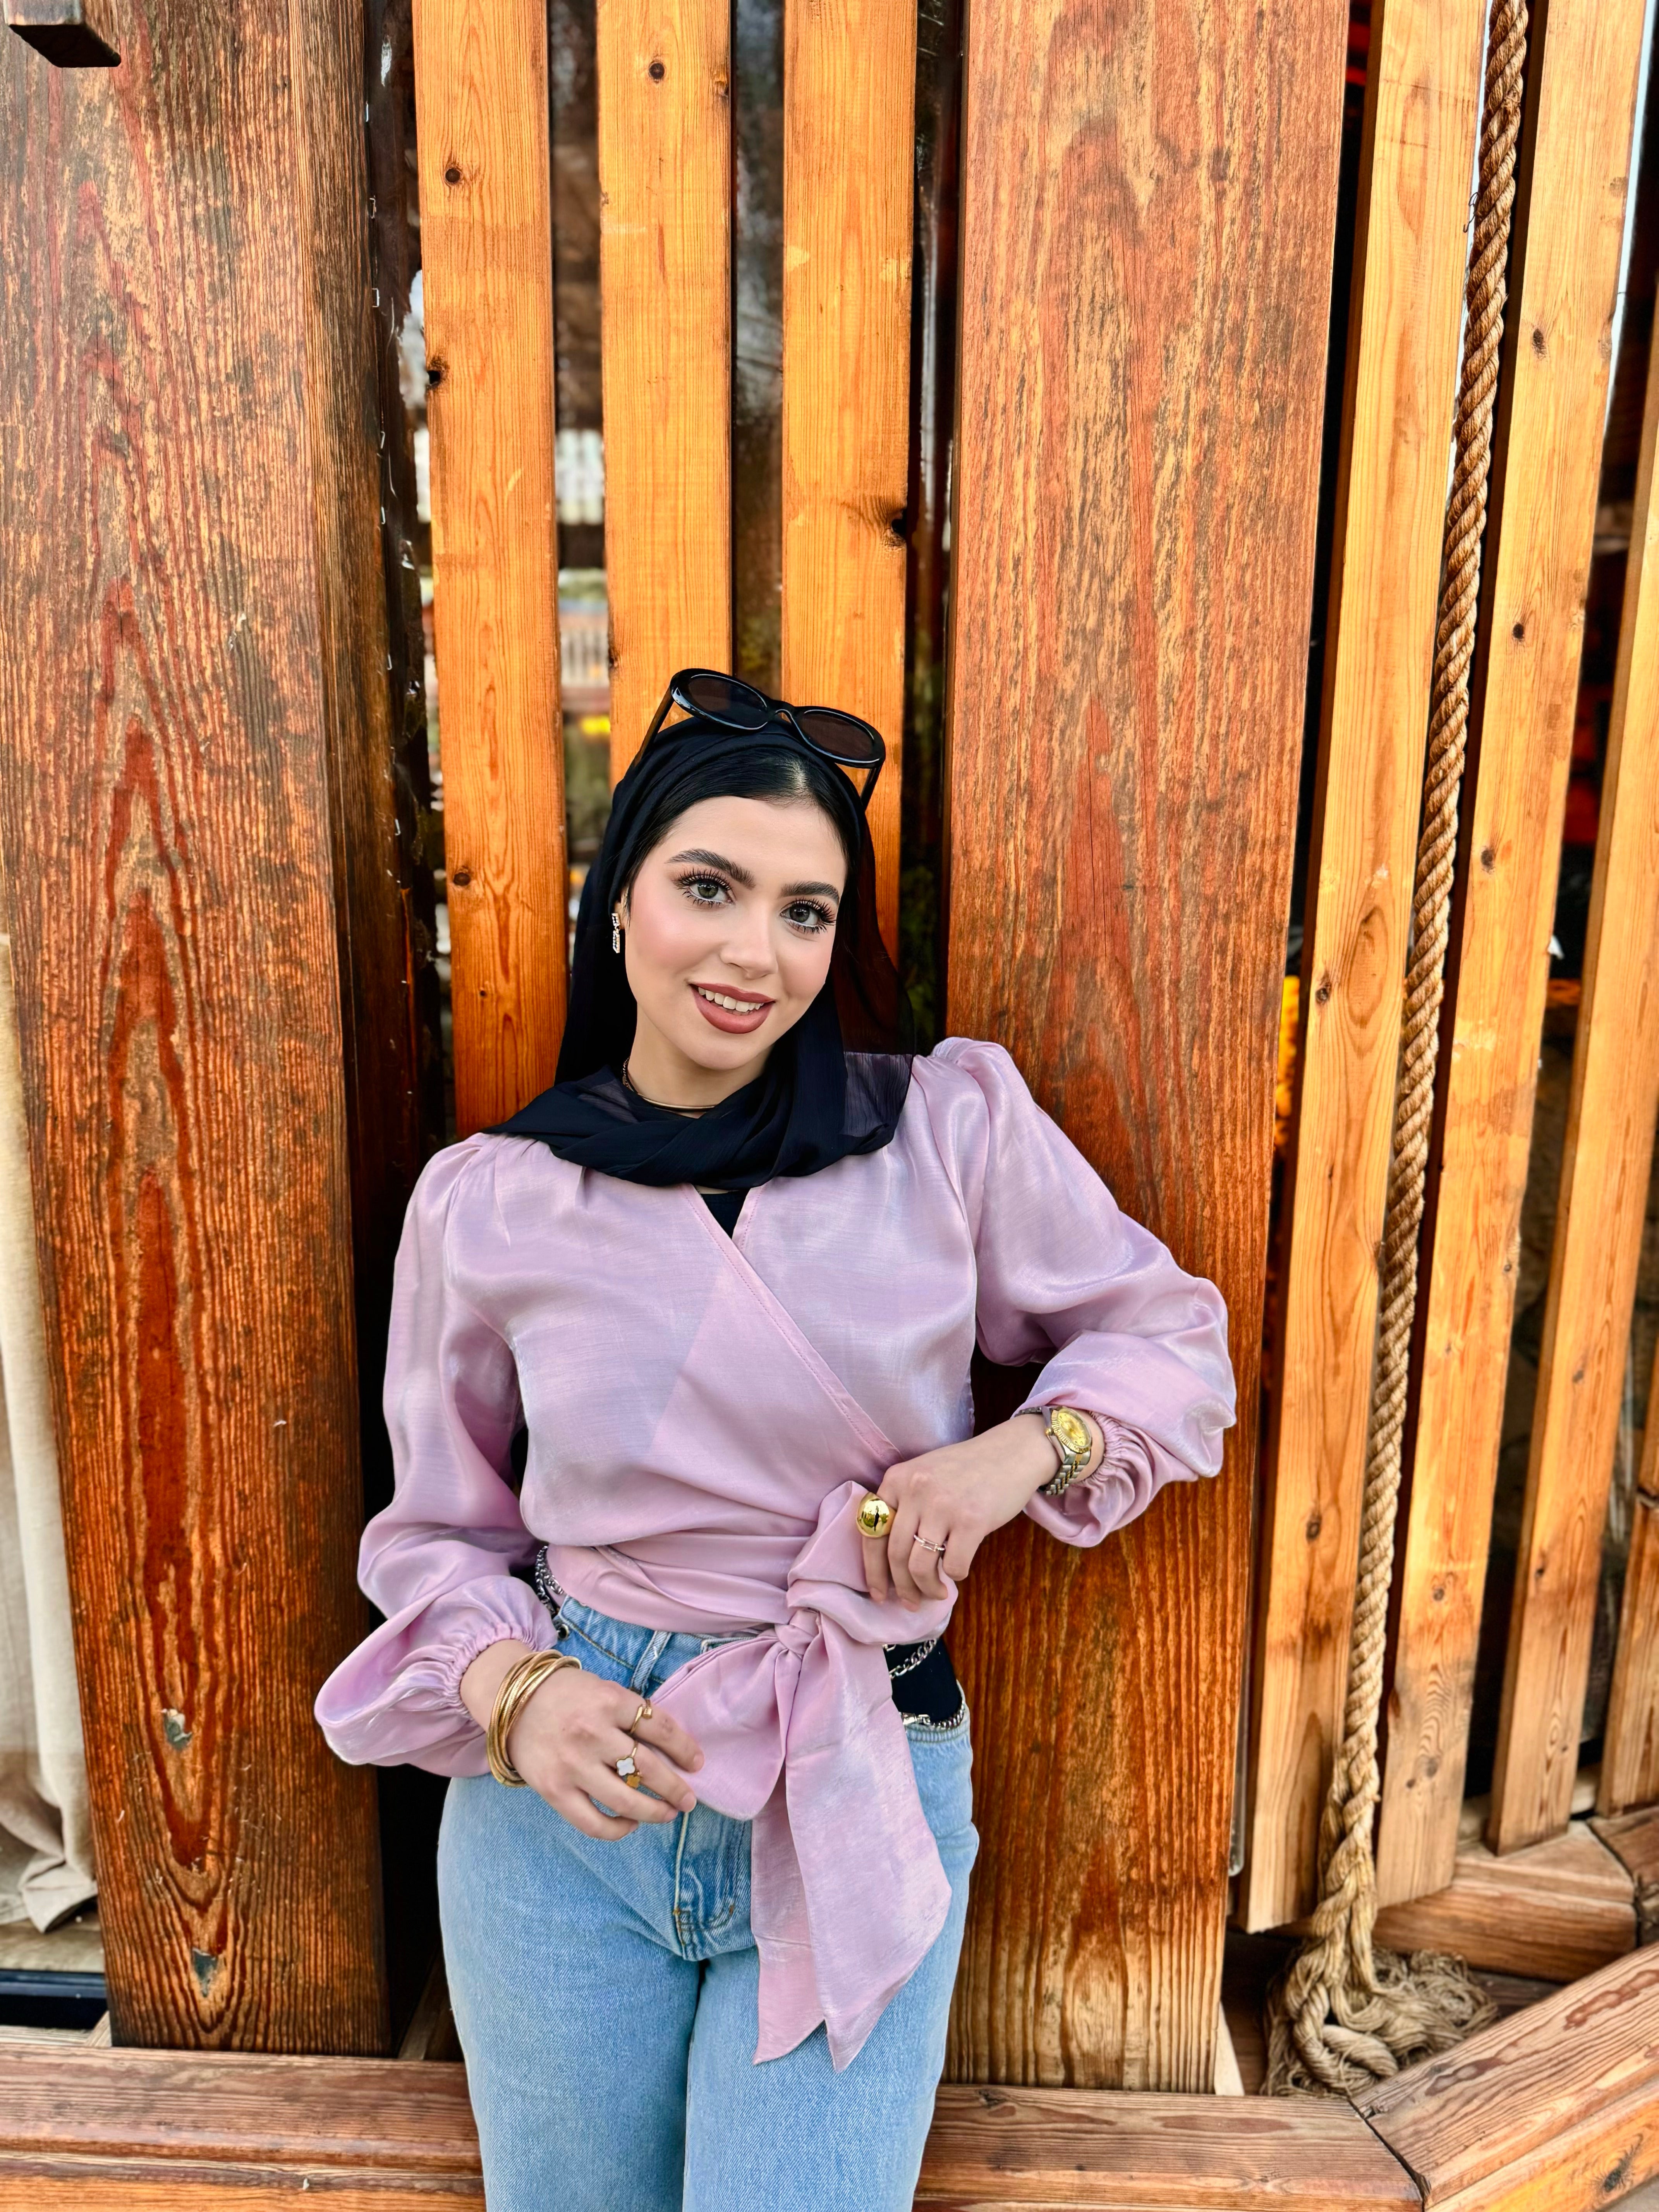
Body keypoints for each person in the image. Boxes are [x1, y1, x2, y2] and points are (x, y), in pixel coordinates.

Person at [315, 670, 1235, 2212]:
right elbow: (439, 1534)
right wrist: (514, 1692)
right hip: (572, 1797)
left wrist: (1020, 1452)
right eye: (709, 888)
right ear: (621, 904)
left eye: (805, 912)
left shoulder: (948, 1129)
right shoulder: (491, 1199)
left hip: (856, 1756)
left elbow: (1171, 1342)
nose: (756, 952)